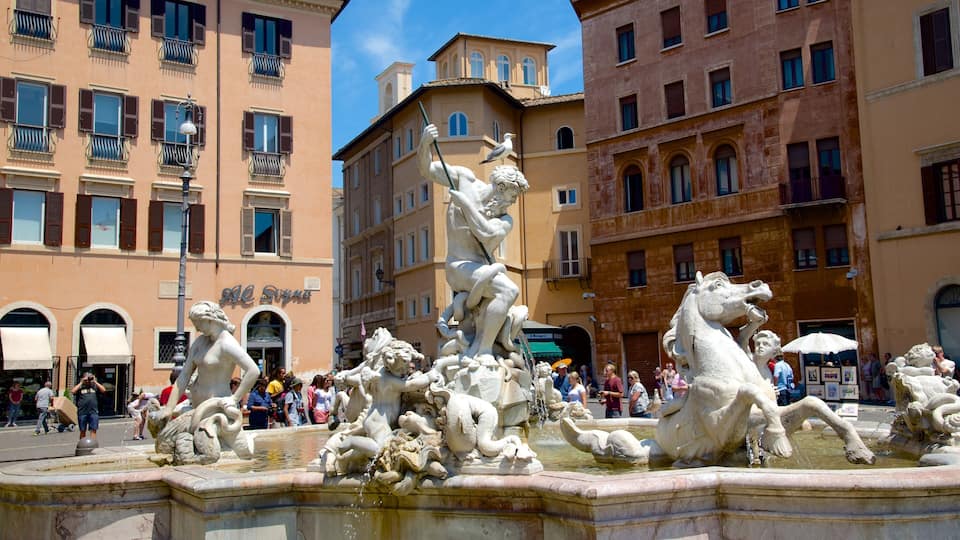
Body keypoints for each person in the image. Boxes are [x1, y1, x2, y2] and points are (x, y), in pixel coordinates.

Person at [418, 123, 529, 363]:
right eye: (511, 196)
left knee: (509, 291)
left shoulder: (504, 219)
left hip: (480, 267)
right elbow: (427, 169)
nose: (511, 203)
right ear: (501, 188)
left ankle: (483, 347)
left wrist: (466, 206)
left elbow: (486, 234)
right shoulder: (463, 179)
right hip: (459, 266)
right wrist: (425, 143)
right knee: (508, 289)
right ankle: (483, 349)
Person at [161, 301, 260, 428]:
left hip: (216, 409)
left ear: (210, 320)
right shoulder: (200, 342)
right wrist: (169, 408)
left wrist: (234, 399)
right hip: (197, 406)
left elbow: (253, 370)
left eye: (198, 323)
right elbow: (184, 375)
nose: (196, 328)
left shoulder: (226, 344)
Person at [72, 372, 106, 440]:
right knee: (82, 430)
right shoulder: (80, 387)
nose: (88, 381)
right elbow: (73, 391)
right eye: (86, 379)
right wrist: (81, 382)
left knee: (93, 429)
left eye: (89, 379)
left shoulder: (94, 386)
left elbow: (103, 390)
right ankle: (82, 444)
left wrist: (95, 382)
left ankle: (92, 444)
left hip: (93, 411)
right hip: (82, 411)